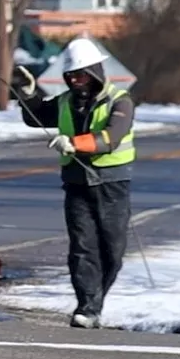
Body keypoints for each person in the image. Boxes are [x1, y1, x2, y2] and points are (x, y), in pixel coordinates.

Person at [11, 37, 136, 329]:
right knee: (82, 247)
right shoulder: (66, 102)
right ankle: (87, 306)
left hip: (111, 185)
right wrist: (28, 96)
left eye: (81, 75)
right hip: (77, 184)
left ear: (95, 73)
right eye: (71, 76)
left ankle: (96, 300)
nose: (76, 81)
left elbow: (110, 138)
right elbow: (36, 117)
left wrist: (74, 143)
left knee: (112, 251)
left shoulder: (120, 102)